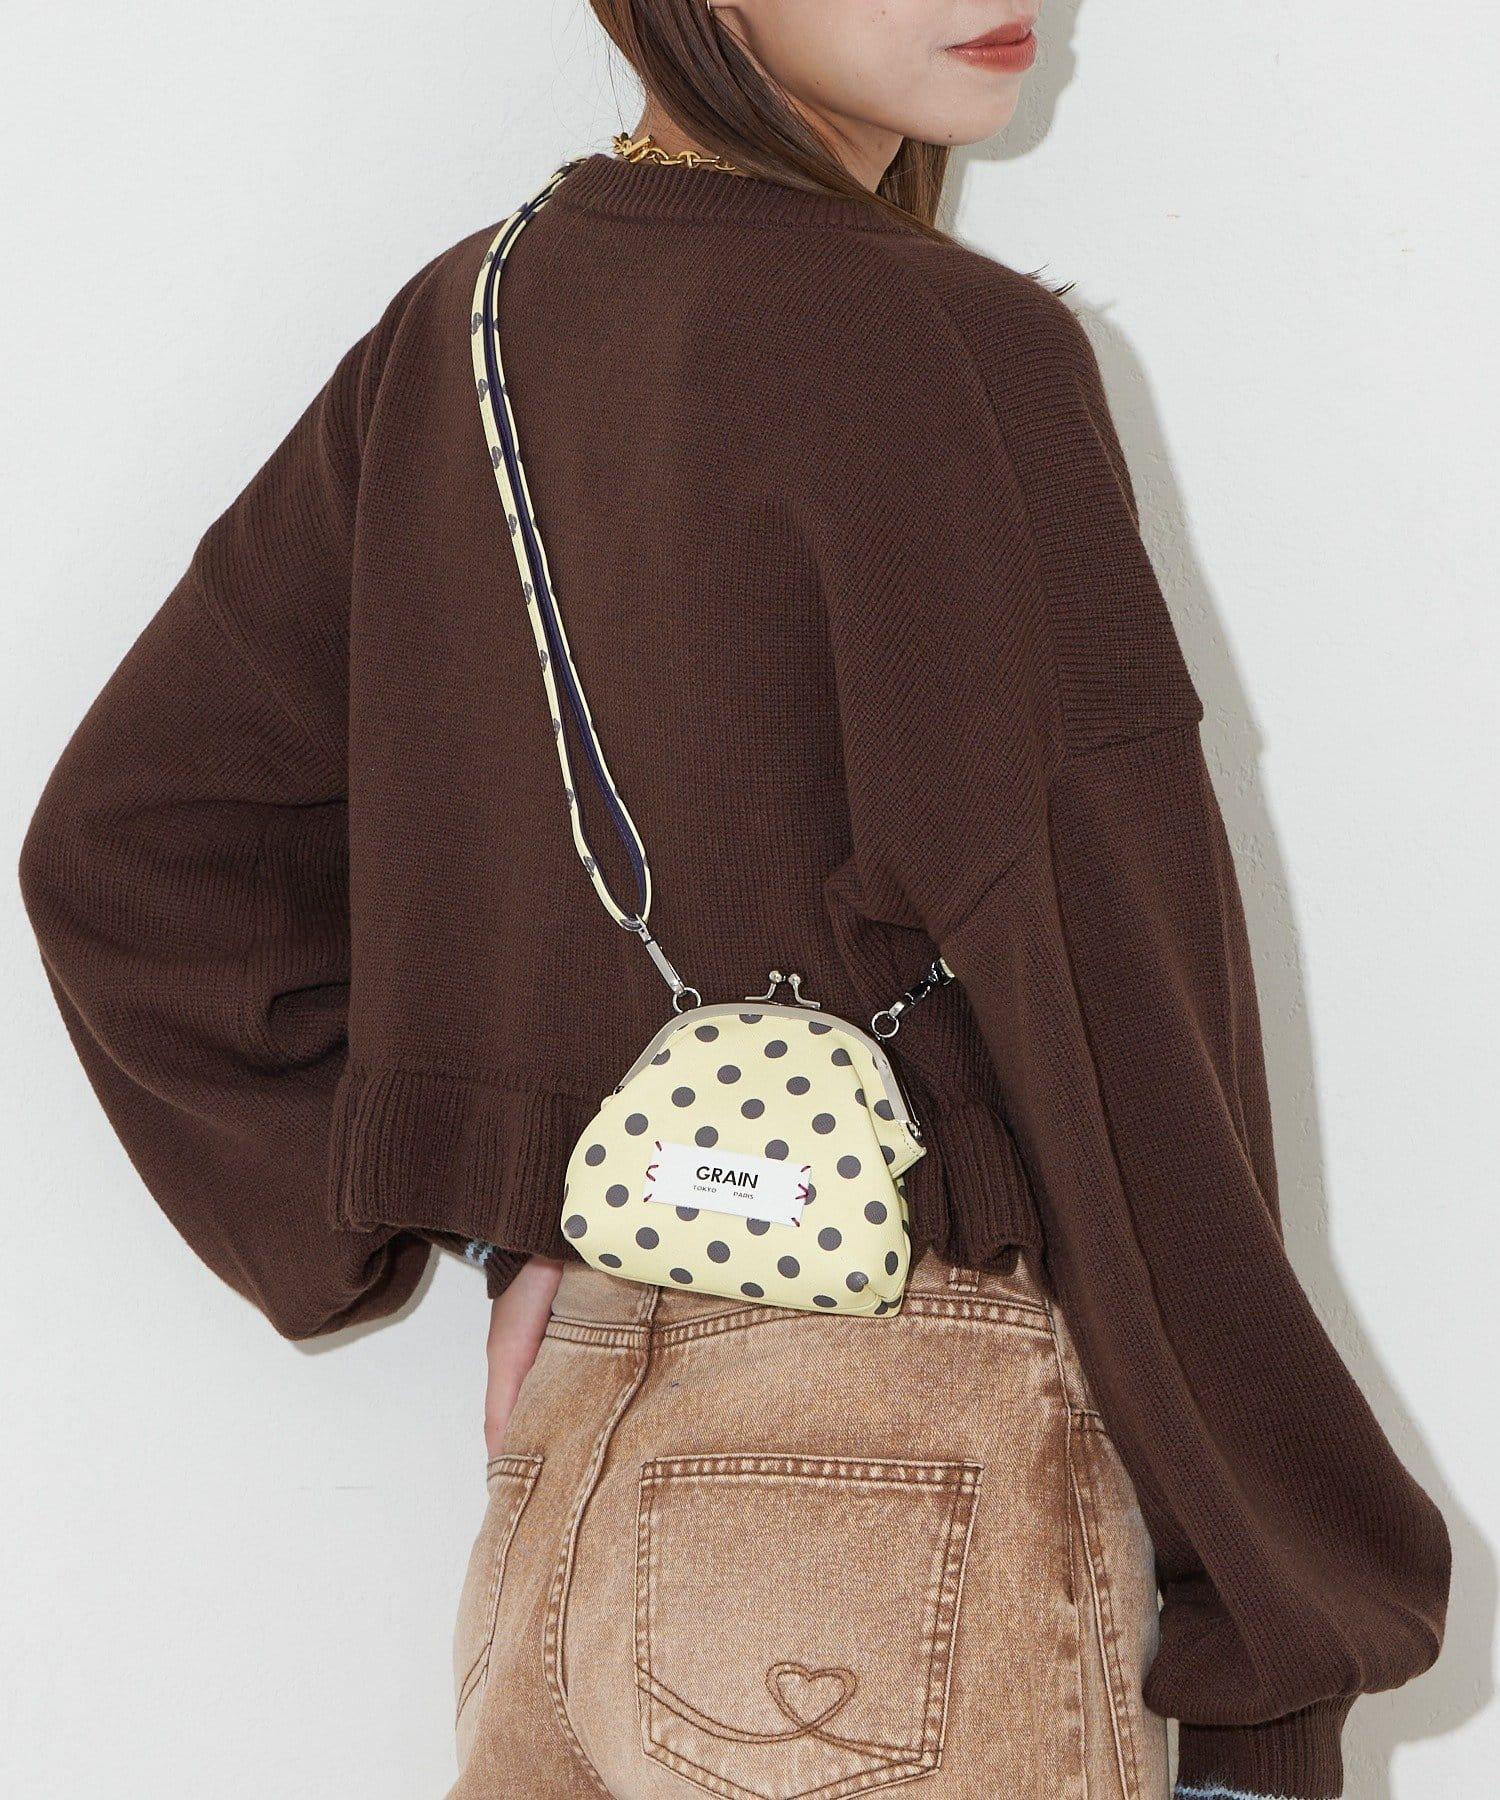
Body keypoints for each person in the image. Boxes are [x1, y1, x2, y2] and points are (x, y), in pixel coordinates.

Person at [19, 3, 1449, 1796]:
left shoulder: (471, 321)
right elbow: (1127, 1039)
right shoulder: (951, 344)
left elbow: (136, 849)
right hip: (906, 1494)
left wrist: (521, 1222)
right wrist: (1274, 1673)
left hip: (567, 1492)